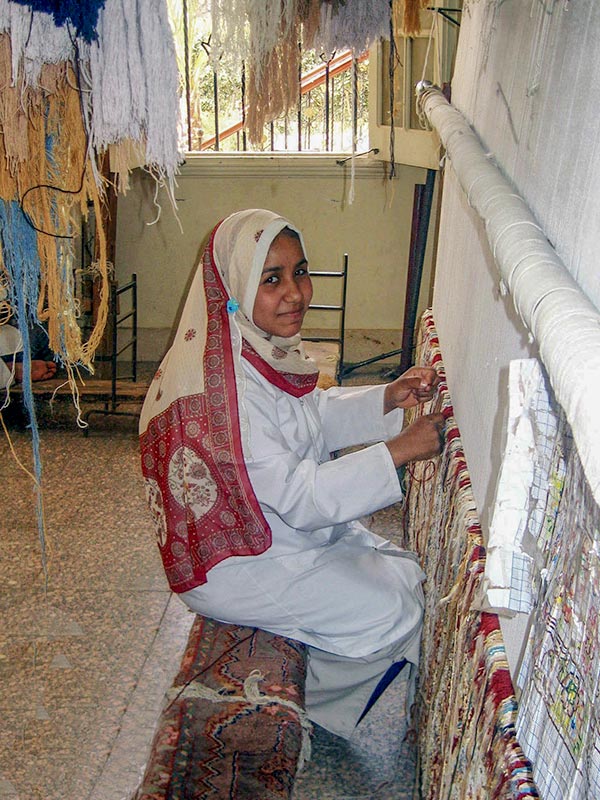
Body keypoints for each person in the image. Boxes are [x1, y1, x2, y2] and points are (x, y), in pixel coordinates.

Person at [139, 209, 444, 740]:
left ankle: (308, 666)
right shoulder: (228, 389)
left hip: (273, 526)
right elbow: (302, 497)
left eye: (300, 272)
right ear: (235, 287)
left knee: (402, 571)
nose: (296, 293)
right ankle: (300, 704)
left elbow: (312, 412)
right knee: (393, 610)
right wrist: (397, 451)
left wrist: (387, 396)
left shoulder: (257, 349)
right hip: (239, 558)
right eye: (272, 279)